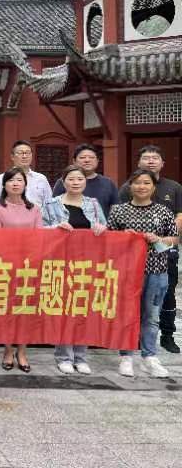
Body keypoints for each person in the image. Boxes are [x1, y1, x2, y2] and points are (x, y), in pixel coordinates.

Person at [109, 169, 179, 379]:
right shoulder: (118, 211)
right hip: (127, 272)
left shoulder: (163, 211)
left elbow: (174, 239)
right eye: (137, 182)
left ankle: (149, 356)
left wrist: (158, 239)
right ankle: (126, 356)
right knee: (128, 314)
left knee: (151, 315)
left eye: (146, 183)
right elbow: (108, 239)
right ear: (130, 186)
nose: (142, 186)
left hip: (156, 270)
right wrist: (123, 237)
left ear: (153, 187)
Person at [42, 164, 107, 375]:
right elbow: (39, 232)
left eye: (79, 179)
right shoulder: (51, 204)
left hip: (86, 265)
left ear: (85, 181)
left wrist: (101, 228)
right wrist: (55, 229)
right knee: (63, 310)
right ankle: (63, 356)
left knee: (82, 310)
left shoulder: (94, 204)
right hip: (60, 264)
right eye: (71, 179)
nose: (75, 182)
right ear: (63, 181)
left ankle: (81, 356)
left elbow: (105, 229)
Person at [118, 145, 182, 355]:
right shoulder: (127, 188)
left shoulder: (174, 187)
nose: (151, 161)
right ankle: (133, 338)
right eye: (146, 158)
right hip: (132, 254)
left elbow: (179, 216)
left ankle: (167, 335)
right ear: (139, 163)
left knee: (166, 294)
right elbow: (118, 219)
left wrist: (161, 239)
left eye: (155, 158)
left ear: (162, 163)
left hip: (163, 252)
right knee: (134, 296)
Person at [0, 168, 42, 373]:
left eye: (19, 180)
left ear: (25, 184)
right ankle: (8, 350)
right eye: (11, 180)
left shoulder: (34, 209)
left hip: (28, 267)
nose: (15, 184)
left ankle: (22, 351)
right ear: (4, 185)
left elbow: (39, 239)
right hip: (6, 266)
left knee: (25, 309)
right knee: (8, 310)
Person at [52, 144, 119, 217]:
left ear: (97, 161)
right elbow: (54, 208)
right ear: (74, 161)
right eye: (82, 157)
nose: (87, 160)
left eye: (91, 157)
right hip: (68, 226)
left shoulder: (108, 183)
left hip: (99, 226)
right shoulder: (63, 182)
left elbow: (115, 209)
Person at [0, 140, 52, 208]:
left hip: (37, 217)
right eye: (20, 153)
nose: (24, 156)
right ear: (12, 156)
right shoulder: (2, 178)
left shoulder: (41, 178)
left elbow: (49, 203)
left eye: (27, 153)